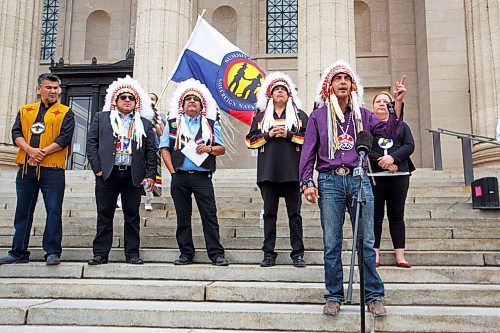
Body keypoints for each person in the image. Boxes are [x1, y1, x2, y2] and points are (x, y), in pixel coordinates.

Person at [299, 60, 406, 317]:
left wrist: (397, 104)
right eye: (338, 79)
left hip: (360, 179)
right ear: (330, 86)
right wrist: (306, 182)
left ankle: (374, 296)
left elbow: (389, 132)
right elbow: (307, 152)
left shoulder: (364, 115)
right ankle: (334, 296)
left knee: (366, 242)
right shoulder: (318, 116)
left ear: (353, 85)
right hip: (330, 180)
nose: (343, 82)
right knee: (331, 242)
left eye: (347, 79)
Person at [0, 73, 75, 266]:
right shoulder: (25, 110)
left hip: (53, 168)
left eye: (55, 88)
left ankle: (52, 251)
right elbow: (15, 132)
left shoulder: (66, 112)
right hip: (27, 167)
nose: (53, 91)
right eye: (49, 87)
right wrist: (30, 151)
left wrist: (42, 152)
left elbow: (65, 137)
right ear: (39, 89)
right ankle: (18, 251)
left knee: (53, 210)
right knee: (23, 210)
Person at [86, 75, 157, 265]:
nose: (127, 100)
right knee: (104, 214)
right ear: (115, 101)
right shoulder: (101, 118)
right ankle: (100, 253)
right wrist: (97, 168)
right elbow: (91, 143)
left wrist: (150, 174)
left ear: (136, 102)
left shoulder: (144, 123)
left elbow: (151, 151)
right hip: (108, 174)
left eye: (131, 98)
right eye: (123, 97)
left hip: (132, 175)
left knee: (132, 215)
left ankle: (132, 253)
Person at [159, 79, 229, 266]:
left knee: (209, 215)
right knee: (183, 216)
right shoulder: (173, 124)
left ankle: (216, 254)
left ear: (201, 105)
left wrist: (209, 149)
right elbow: (164, 147)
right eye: (188, 99)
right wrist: (172, 172)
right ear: (182, 105)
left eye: (195, 99)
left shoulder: (210, 124)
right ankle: (186, 253)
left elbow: (221, 148)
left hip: (202, 176)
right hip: (180, 175)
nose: (191, 101)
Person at [245, 72, 308, 268]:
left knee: (294, 214)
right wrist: (268, 134)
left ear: (289, 95)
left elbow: (309, 140)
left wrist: (289, 134)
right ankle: (268, 253)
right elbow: (249, 141)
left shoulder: (300, 116)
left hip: (292, 172)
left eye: (283, 90)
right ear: (270, 95)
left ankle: (298, 253)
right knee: (269, 214)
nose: (280, 92)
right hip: (268, 172)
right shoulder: (261, 117)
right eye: (276, 90)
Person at [369, 90, 414, 268]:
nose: (381, 104)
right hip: (375, 177)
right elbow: (363, 147)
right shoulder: (367, 127)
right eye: (377, 101)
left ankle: (400, 256)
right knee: (375, 216)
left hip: (399, 176)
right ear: (372, 107)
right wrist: (383, 163)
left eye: (385, 101)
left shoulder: (402, 126)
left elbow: (409, 145)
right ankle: (375, 254)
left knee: (397, 216)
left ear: (392, 106)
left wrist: (394, 159)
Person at [144, 92, 165, 211]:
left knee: (151, 176)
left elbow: (162, 134)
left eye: (153, 98)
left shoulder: (159, 115)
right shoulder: (138, 112)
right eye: (148, 98)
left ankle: (149, 200)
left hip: (153, 148)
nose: (150, 100)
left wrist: (155, 122)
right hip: (139, 148)